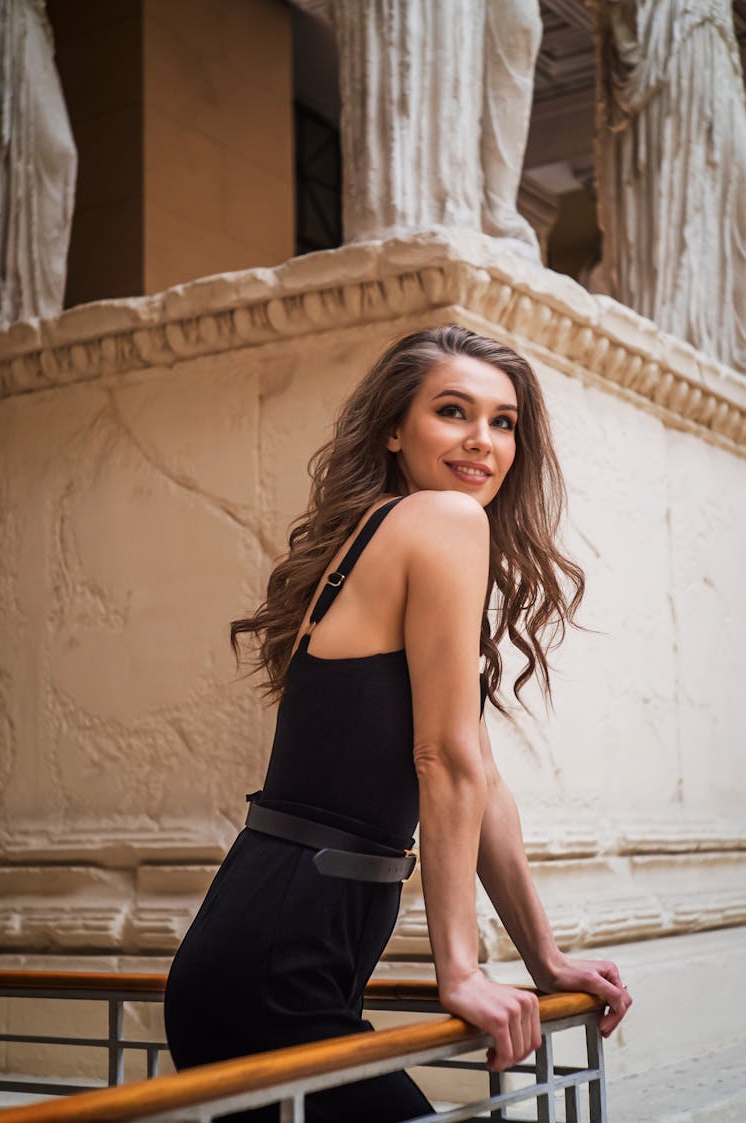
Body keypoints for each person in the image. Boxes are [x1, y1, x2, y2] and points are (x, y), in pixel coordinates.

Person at [164, 325, 632, 1121]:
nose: (482, 441)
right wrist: (460, 969)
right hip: (281, 958)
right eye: (453, 411)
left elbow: (478, 772)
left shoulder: (396, 529)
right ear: (393, 428)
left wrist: (543, 957)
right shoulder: (442, 520)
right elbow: (442, 758)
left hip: (274, 941)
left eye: (504, 420)